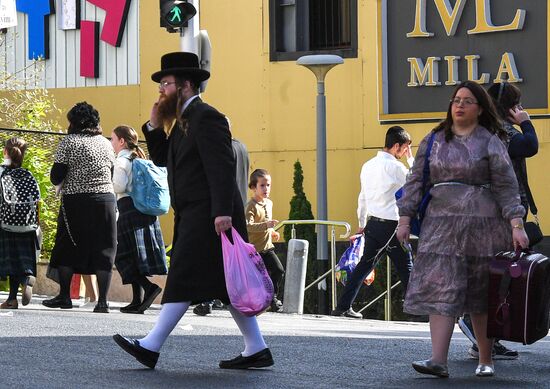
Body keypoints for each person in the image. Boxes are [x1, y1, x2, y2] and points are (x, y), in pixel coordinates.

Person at [112, 52, 274, 370]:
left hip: (210, 215)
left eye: (166, 84)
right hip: (198, 214)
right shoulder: (184, 121)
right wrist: (154, 126)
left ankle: (151, 346)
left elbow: (222, 167)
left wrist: (223, 213)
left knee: (183, 277)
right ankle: (256, 348)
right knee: (227, 283)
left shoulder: (206, 117)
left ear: (186, 85)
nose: (161, 90)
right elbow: (161, 160)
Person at [397, 81, 529, 378]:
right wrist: (405, 219)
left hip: (483, 227)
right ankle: (437, 359)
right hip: (440, 228)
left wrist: (516, 225)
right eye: (456, 100)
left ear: (480, 108)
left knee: (481, 292)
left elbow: (507, 186)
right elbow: (416, 180)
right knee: (441, 288)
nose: (459, 105)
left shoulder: (490, 140)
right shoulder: (434, 139)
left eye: (467, 101)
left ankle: (486, 358)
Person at [458, 82, 539, 360]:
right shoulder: (503, 132)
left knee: (497, 271)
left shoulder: (481, 130)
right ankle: (475, 326)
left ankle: (484, 336)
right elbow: (530, 146)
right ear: (510, 108)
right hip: (505, 211)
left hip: (492, 209)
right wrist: (527, 123)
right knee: (499, 272)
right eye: (518, 104)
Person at [330, 126, 414, 319]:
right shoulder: (395, 167)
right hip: (392, 226)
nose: (405, 153)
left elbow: (363, 197)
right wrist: (411, 160)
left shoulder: (367, 165)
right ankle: (417, 310)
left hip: (373, 225)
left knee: (364, 265)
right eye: (405, 149)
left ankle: (342, 306)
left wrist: (361, 222)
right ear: (396, 146)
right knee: (406, 266)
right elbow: (416, 181)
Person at [43, 102, 117, 314]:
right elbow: (110, 173)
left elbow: (56, 176)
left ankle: (65, 296)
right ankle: (102, 301)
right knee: (105, 249)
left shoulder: (69, 142)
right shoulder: (105, 144)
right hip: (105, 201)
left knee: (68, 246)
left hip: (76, 200)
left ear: (73, 122)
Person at [111, 125, 168, 314]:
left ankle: (149, 287)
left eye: (113, 139)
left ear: (121, 141)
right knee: (136, 257)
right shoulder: (140, 157)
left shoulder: (121, 160)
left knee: (123, 256)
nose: (111, 143)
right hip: (143, 211)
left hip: (128, 209)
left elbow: (119, 186)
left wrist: (108, 183)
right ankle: (137, 300)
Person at [193, 136, 250, 316]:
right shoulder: (241, 147)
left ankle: (209, 299)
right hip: (238, 205)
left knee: (215, 257)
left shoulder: (221, 147)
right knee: (227, 259)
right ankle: (224, 298)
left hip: (222, 209)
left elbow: (220, 178)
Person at [0, 137, 38, 309]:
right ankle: (25, 279)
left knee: (8, 261)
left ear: (5, 152)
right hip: (26, 224)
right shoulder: (27, 174)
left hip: (5, 223)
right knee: (19, 260)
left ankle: (12, 300)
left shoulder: (1, 172)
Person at [245, 169, 284, 312]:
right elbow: (248, 226)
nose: (266, 188)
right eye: (262, 185)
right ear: (253, 188)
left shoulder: (269, 203)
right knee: (255, 279)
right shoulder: (251, 206)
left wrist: (272, 231)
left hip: (267, 247)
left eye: (268, 185)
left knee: (278, 270)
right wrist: (266, 226)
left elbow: (265, 223)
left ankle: (272, 299)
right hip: (254, 251)